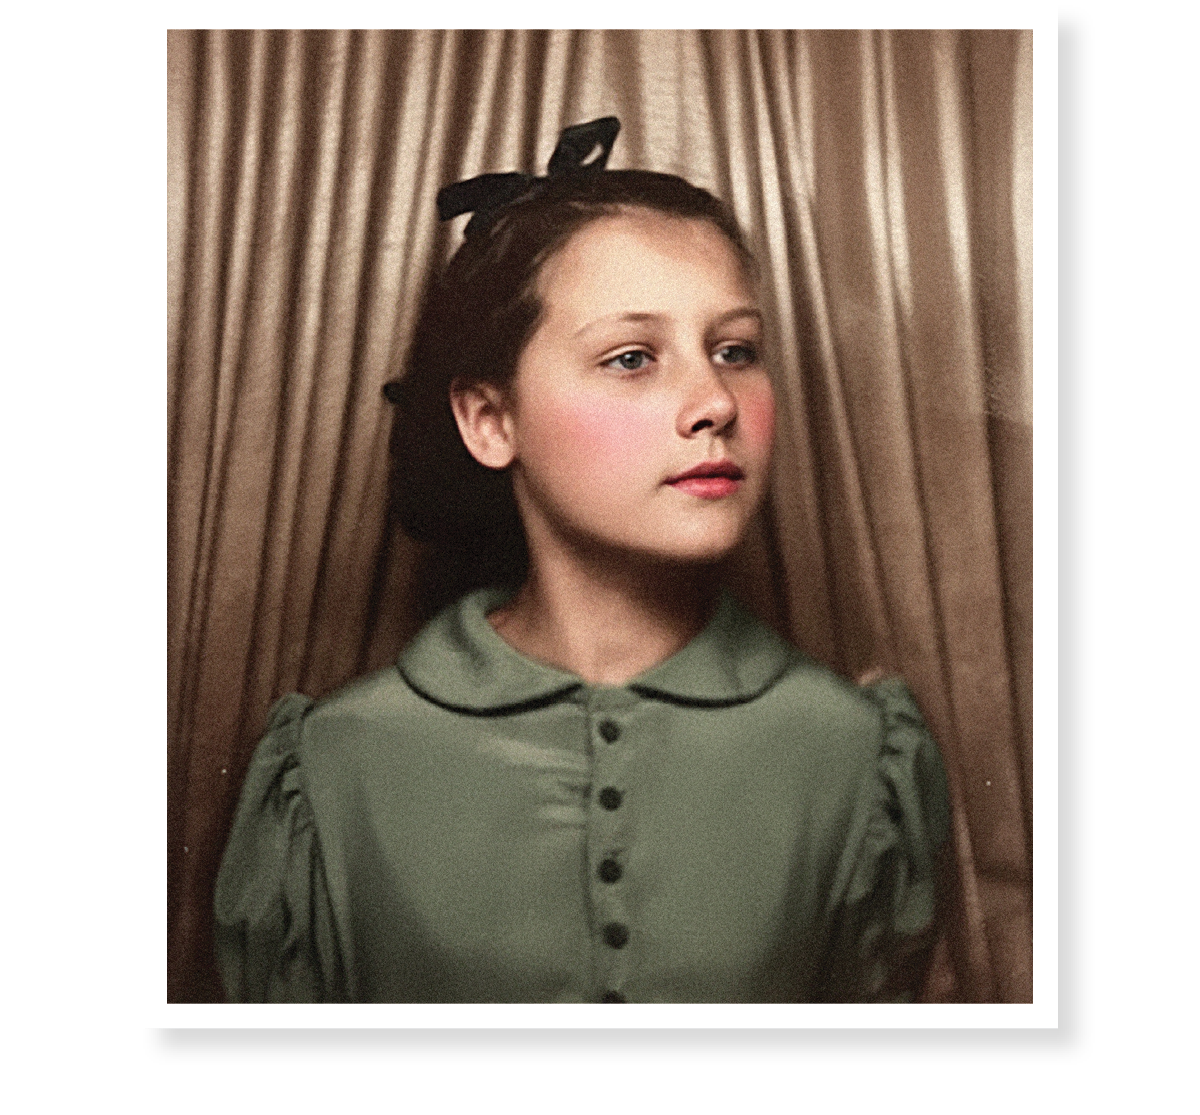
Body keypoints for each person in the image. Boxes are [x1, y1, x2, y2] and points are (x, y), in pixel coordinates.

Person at [214, 117, 950, 1004]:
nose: (715, 401)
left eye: (735, 350)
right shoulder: (333, 766)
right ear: (491, 421)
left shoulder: (857, 752)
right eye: (632, 357)